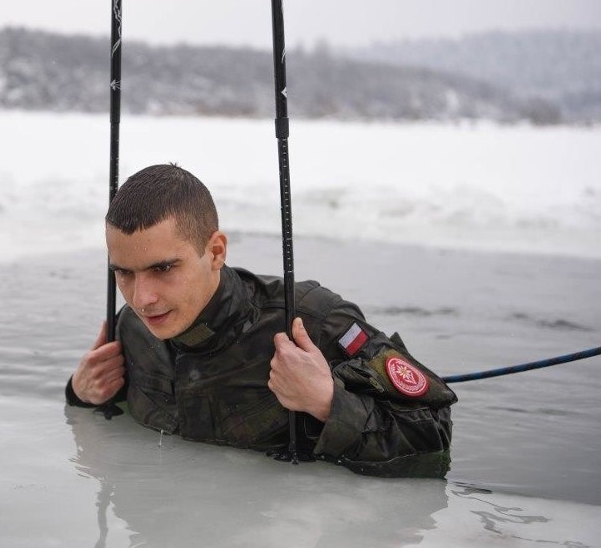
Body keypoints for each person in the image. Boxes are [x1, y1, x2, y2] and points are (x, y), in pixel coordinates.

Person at [67, 163, 457, 477]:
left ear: (215, 251)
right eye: (124, 273)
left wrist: (328, 403)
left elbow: (434, 436)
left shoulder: (312, 322)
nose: (142, 298)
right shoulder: (132, 329)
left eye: (164, 268)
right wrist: (81, 393)